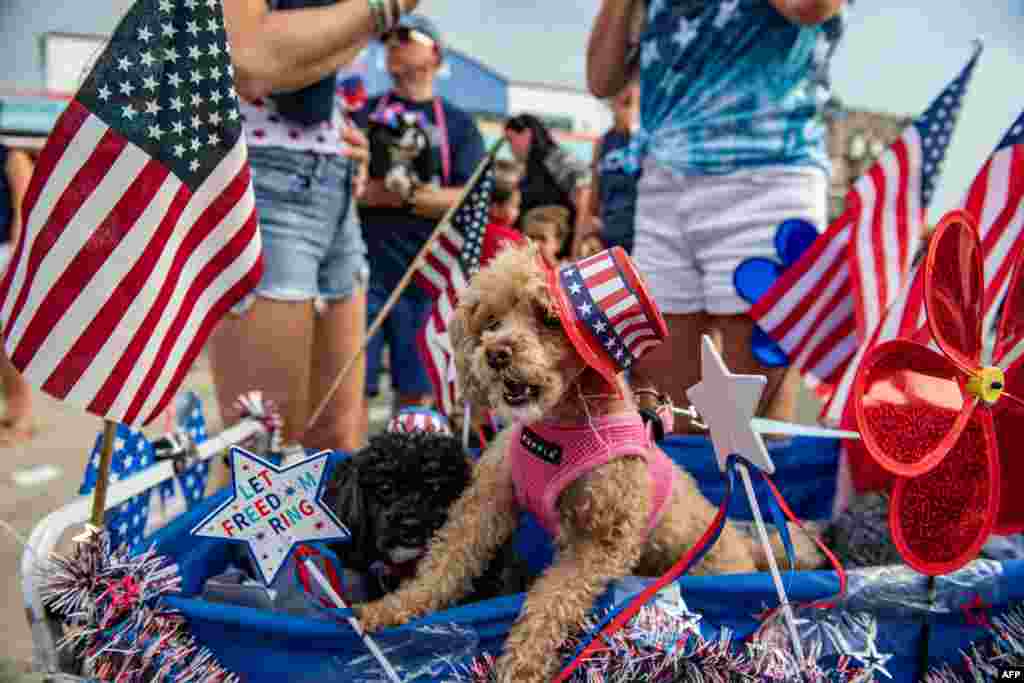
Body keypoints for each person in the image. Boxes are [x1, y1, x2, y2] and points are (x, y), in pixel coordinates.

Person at [587, 0, 847, 432]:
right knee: (676, 397)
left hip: (766, 168)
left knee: (755, 412)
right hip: (664, 177)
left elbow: (809, 7)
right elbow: (602, 78)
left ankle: (759, 502)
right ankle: (699, 499)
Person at [211, 0, 419, 453]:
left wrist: (338, 128)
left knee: (336, 445)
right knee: (262, 455)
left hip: (334, 187)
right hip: (261, 179)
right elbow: (251, 59)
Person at [354, 14, 486, 423]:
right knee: (352, 388)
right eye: (388, 38)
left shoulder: (458, 123)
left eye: (406, 37)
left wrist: (402, 195)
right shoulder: (364, 111)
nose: (393, 43)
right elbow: (349, 187)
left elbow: (470, 197)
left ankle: (405, 479)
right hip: (364, 271)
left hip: (426, 276)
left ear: (435, 53)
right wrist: (412, 197)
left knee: (417, 398)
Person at [503, 114, 593, 259]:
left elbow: (584, 198)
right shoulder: (528, 170)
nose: (510, 148)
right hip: (532, 252)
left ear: (527, 134)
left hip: (556, 253)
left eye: (510, 140)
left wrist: (576, 249)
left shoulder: (557, 159)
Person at [0, 145, 36, 445]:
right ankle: (12, 412)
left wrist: (15, 259)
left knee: (7, 345)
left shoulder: (13, 158)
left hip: (4, 254)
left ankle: (21, 416)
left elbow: (24, 211)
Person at [590, 79, 640, 254]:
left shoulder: (643, 141)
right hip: (610, 234)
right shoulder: (603, 142)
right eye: (623, 103)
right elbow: (594, 192)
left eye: (629, 104)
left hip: (638, 235)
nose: (624, 109)